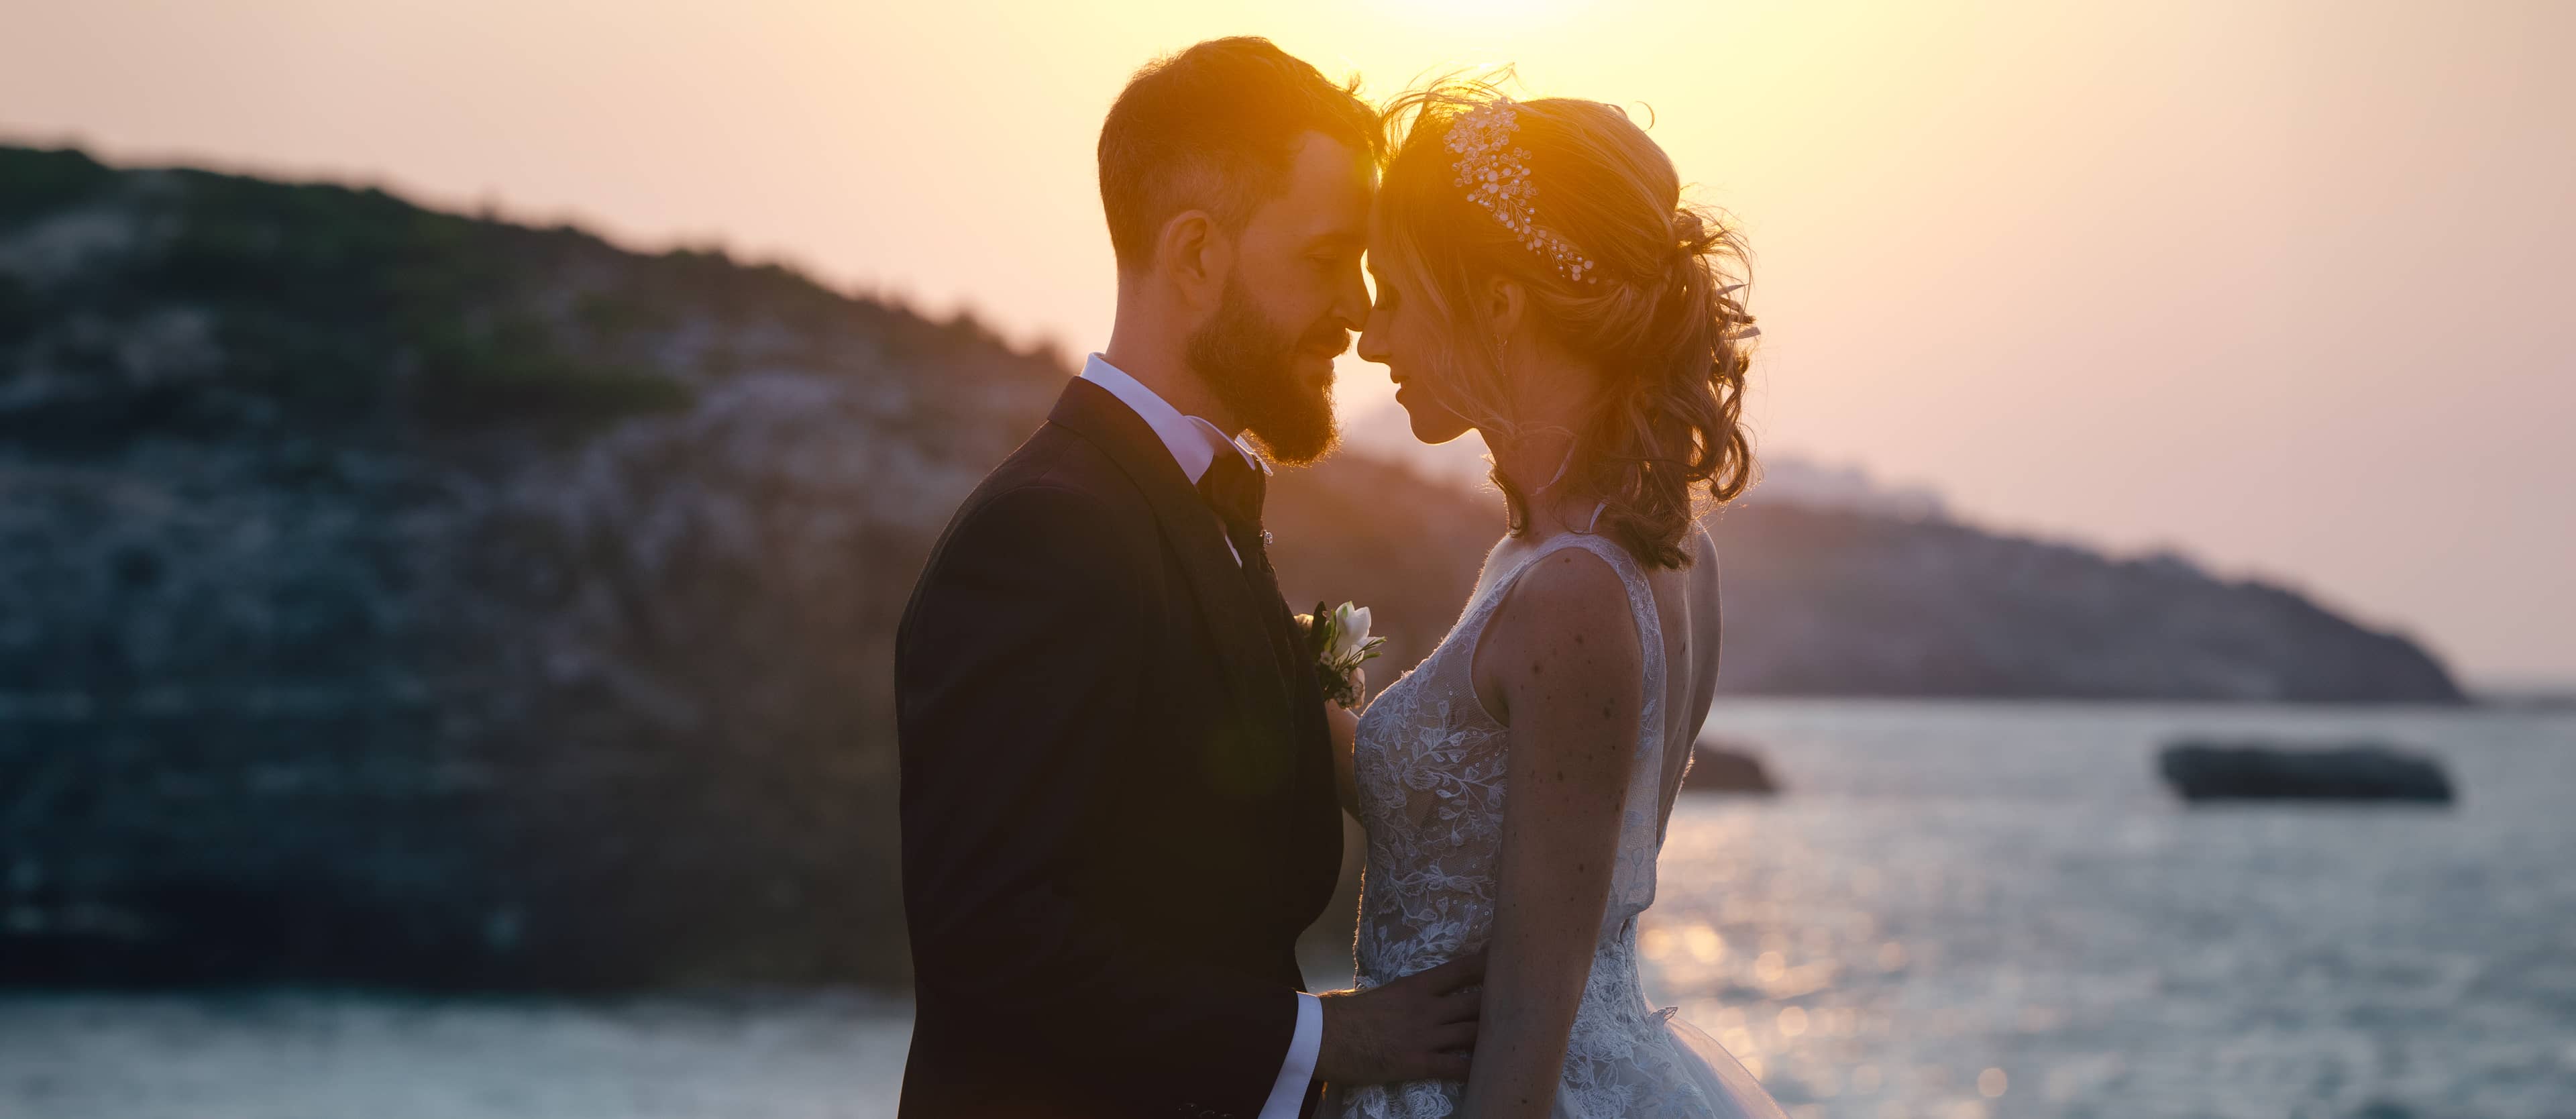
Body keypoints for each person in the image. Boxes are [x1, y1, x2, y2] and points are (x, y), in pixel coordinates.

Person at [894, 38, 1482, 1119]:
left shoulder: (1193, 511)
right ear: (1199, 256)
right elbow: (989, 934)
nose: (1356, 310)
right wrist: (1329, 1035)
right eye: (1324, 259)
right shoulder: (1043, 534)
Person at [1328, 79, 1788, 1119]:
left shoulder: (1573, 595)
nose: (1372, 340)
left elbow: (1530, 1033)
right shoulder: (1658, 559)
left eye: (1395, 295)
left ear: (1498, 304)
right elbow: (1499, 829)